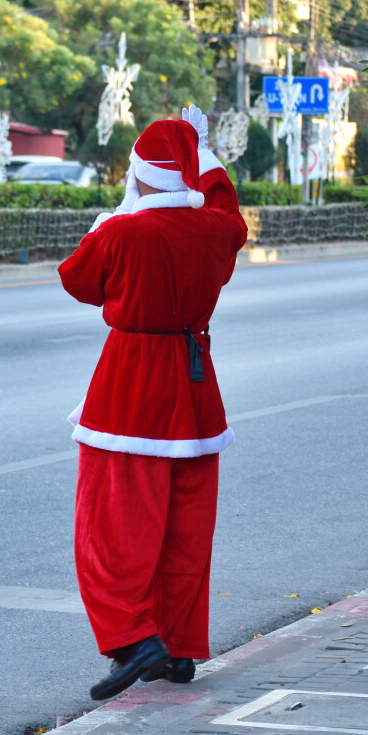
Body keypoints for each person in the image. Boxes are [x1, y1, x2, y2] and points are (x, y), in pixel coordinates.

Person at [57, 107, 248, 700]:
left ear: (138, 176)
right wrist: (206, 154)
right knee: (186, 524)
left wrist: (113, 217)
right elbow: (228, 210)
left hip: (131, 387)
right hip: (194, 383)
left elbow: (78, 280)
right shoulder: (216, 231)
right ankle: (179, 647)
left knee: (109, 525)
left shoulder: (122, 232)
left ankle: (135, 638)